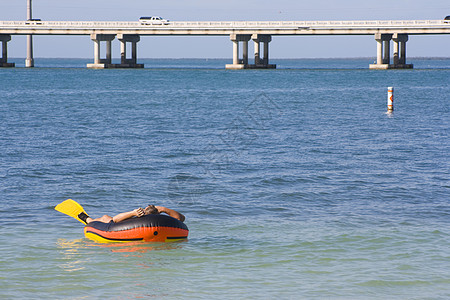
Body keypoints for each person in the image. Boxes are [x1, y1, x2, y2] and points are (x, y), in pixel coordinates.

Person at [78, 205, 185, 224]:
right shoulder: (164, 220)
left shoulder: (137, 218)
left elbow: (114, 220)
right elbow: (181, 218)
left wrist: (133, 212)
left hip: (116, 222)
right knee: (106, 218)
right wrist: (163, 209)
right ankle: (88, 220)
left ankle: (88, 220)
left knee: (106, 217)